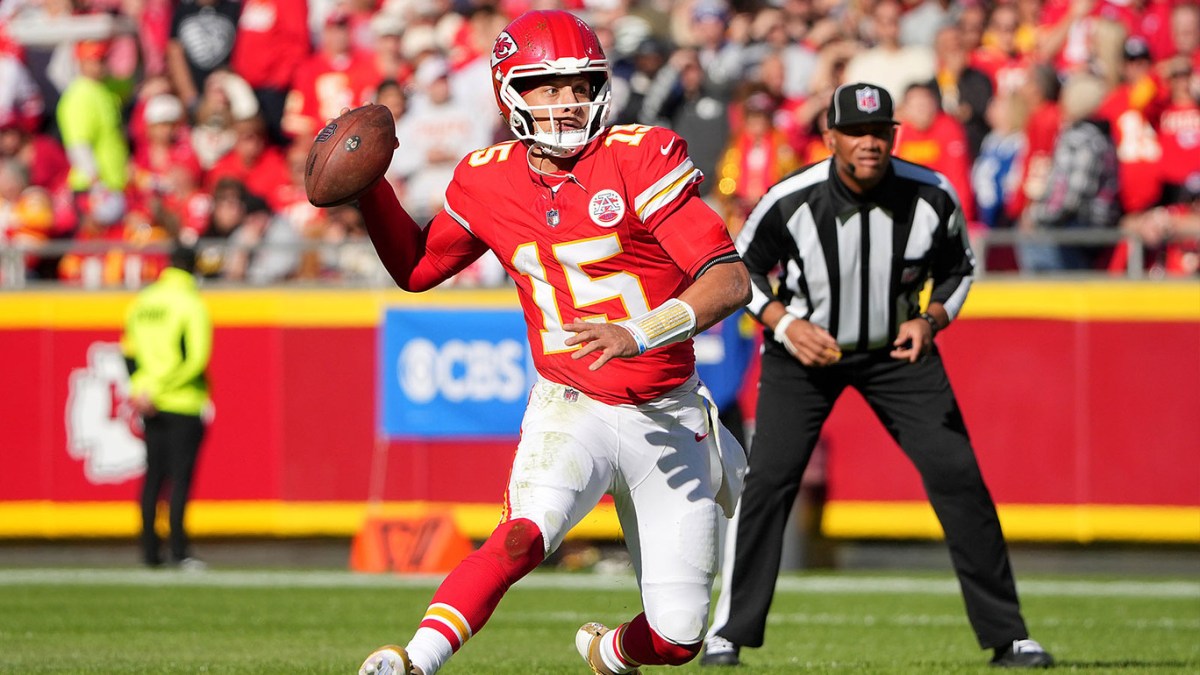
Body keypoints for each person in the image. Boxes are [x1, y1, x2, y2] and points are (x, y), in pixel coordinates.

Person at [351, 10, 751, 675]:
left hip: (668, 411)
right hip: (573, 403)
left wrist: (638, 331)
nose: (567, 102)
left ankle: (607, 652)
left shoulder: (637, 157)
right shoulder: (487, 177)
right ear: (510, 91)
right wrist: (371, 191)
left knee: (679, 639)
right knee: (523, 533)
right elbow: (418, 267)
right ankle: (413, 660)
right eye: (547, 86)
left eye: (580, 85)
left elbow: (729, 279)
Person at [700, 82, 1054, 670]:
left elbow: (959, 269)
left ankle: (1009, 636)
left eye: (879, 131)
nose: (869, 142)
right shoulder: (792, 197)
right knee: (768, 482)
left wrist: (931, 320)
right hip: (804, 354)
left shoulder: (930, 193)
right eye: (856, 132)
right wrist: (786, 324)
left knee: (958, 476)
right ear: (830, 137)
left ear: (894, 135)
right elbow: (740, 273)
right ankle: (727, 634)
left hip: (897, 352)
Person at [121, 245, 213, 569]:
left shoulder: (143, 301)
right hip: (182, 401)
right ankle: (178, 550)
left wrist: (142, 391)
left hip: (148, 403)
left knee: (153, 477)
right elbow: (196, 359)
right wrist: (162, 389)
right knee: (180, 479)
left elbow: (128, 353)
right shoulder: (191, 303)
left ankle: (149, 551)